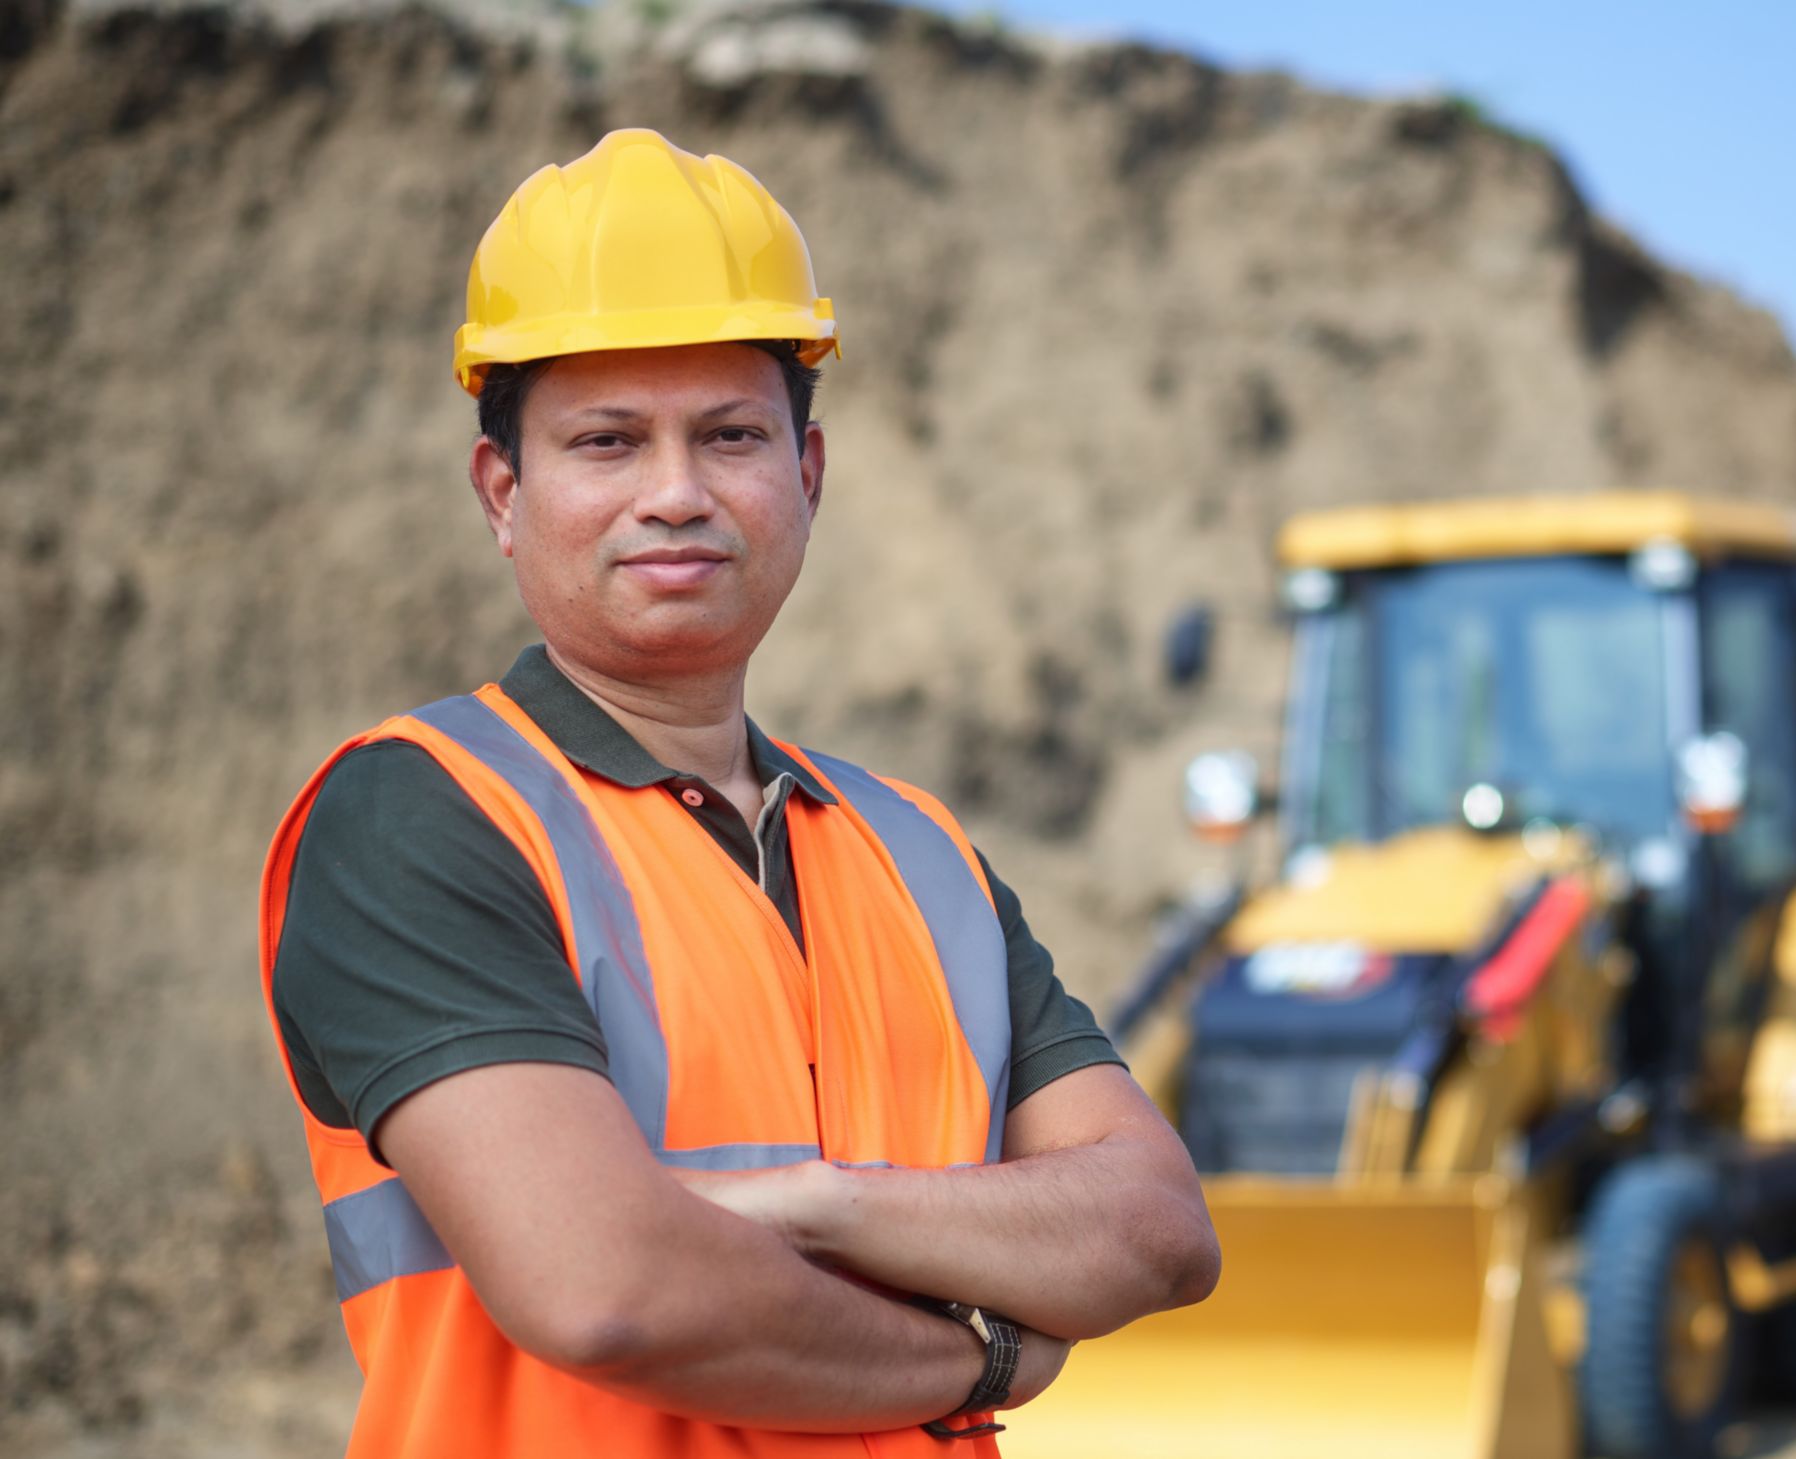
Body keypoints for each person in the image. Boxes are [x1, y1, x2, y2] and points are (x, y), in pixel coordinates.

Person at [257, 128, 1220, 1458]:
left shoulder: (918, 852)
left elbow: (1158, 1229)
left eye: (729, 436)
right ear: (503, 490)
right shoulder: (422, 819)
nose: (675, 493)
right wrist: (980, 1352)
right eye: (607, 441)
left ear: (807, 477)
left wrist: (822, 1202)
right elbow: (610, 1292)